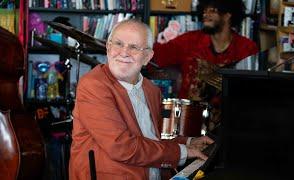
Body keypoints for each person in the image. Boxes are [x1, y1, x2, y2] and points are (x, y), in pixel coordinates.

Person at [69, 19, 214, 180]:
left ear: (147, 57)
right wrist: (184, 152)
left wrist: (189, 142)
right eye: (118, 44)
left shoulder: (152, 90)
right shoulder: (93, 85)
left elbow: (154, 137)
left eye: (134, 47)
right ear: (108, 48)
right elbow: (121, 146)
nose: (124, 52)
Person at [152, 0, 259, 99]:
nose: (205, 15)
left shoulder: (247, 48)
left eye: (212, 10)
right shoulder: (189, 41)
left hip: (229, 115)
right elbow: (155, 55)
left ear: (227, 15)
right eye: (204, 10)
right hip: (190, 115)